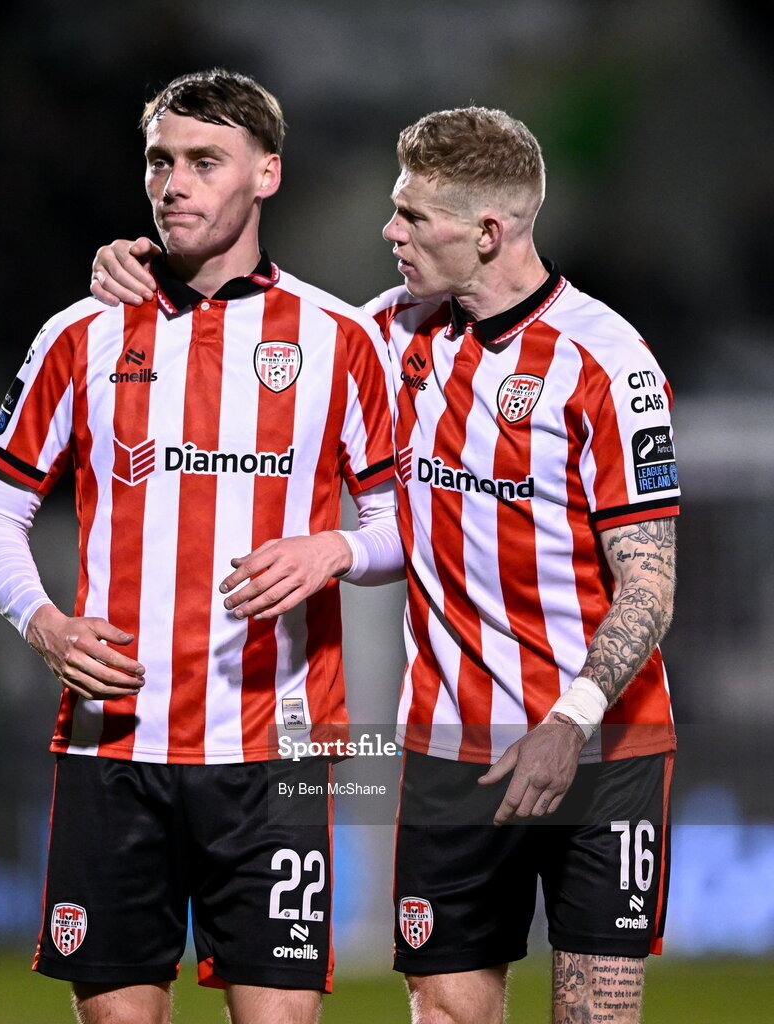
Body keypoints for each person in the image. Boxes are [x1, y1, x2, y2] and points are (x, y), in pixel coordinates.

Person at [90, 106, 679, 1024]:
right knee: (444, 1007)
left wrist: (571, 719)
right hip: (447, 743)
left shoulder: (609, 365)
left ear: (488, 233)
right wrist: (137, 267)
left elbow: (649, 583)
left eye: (412, 217)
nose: (388, 232)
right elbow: (248, 327)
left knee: (592, 1017)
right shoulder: (383, 338)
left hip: (598, 748)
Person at [0, 69, 404, 1024]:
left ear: (268, 174)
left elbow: (402, 526)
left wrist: (333, 550)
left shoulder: (338, 340)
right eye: (161, 161)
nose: (176, 183)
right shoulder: (79, 335)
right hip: (111, 743)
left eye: (206, 161)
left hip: (274, 751)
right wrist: (42, 622)